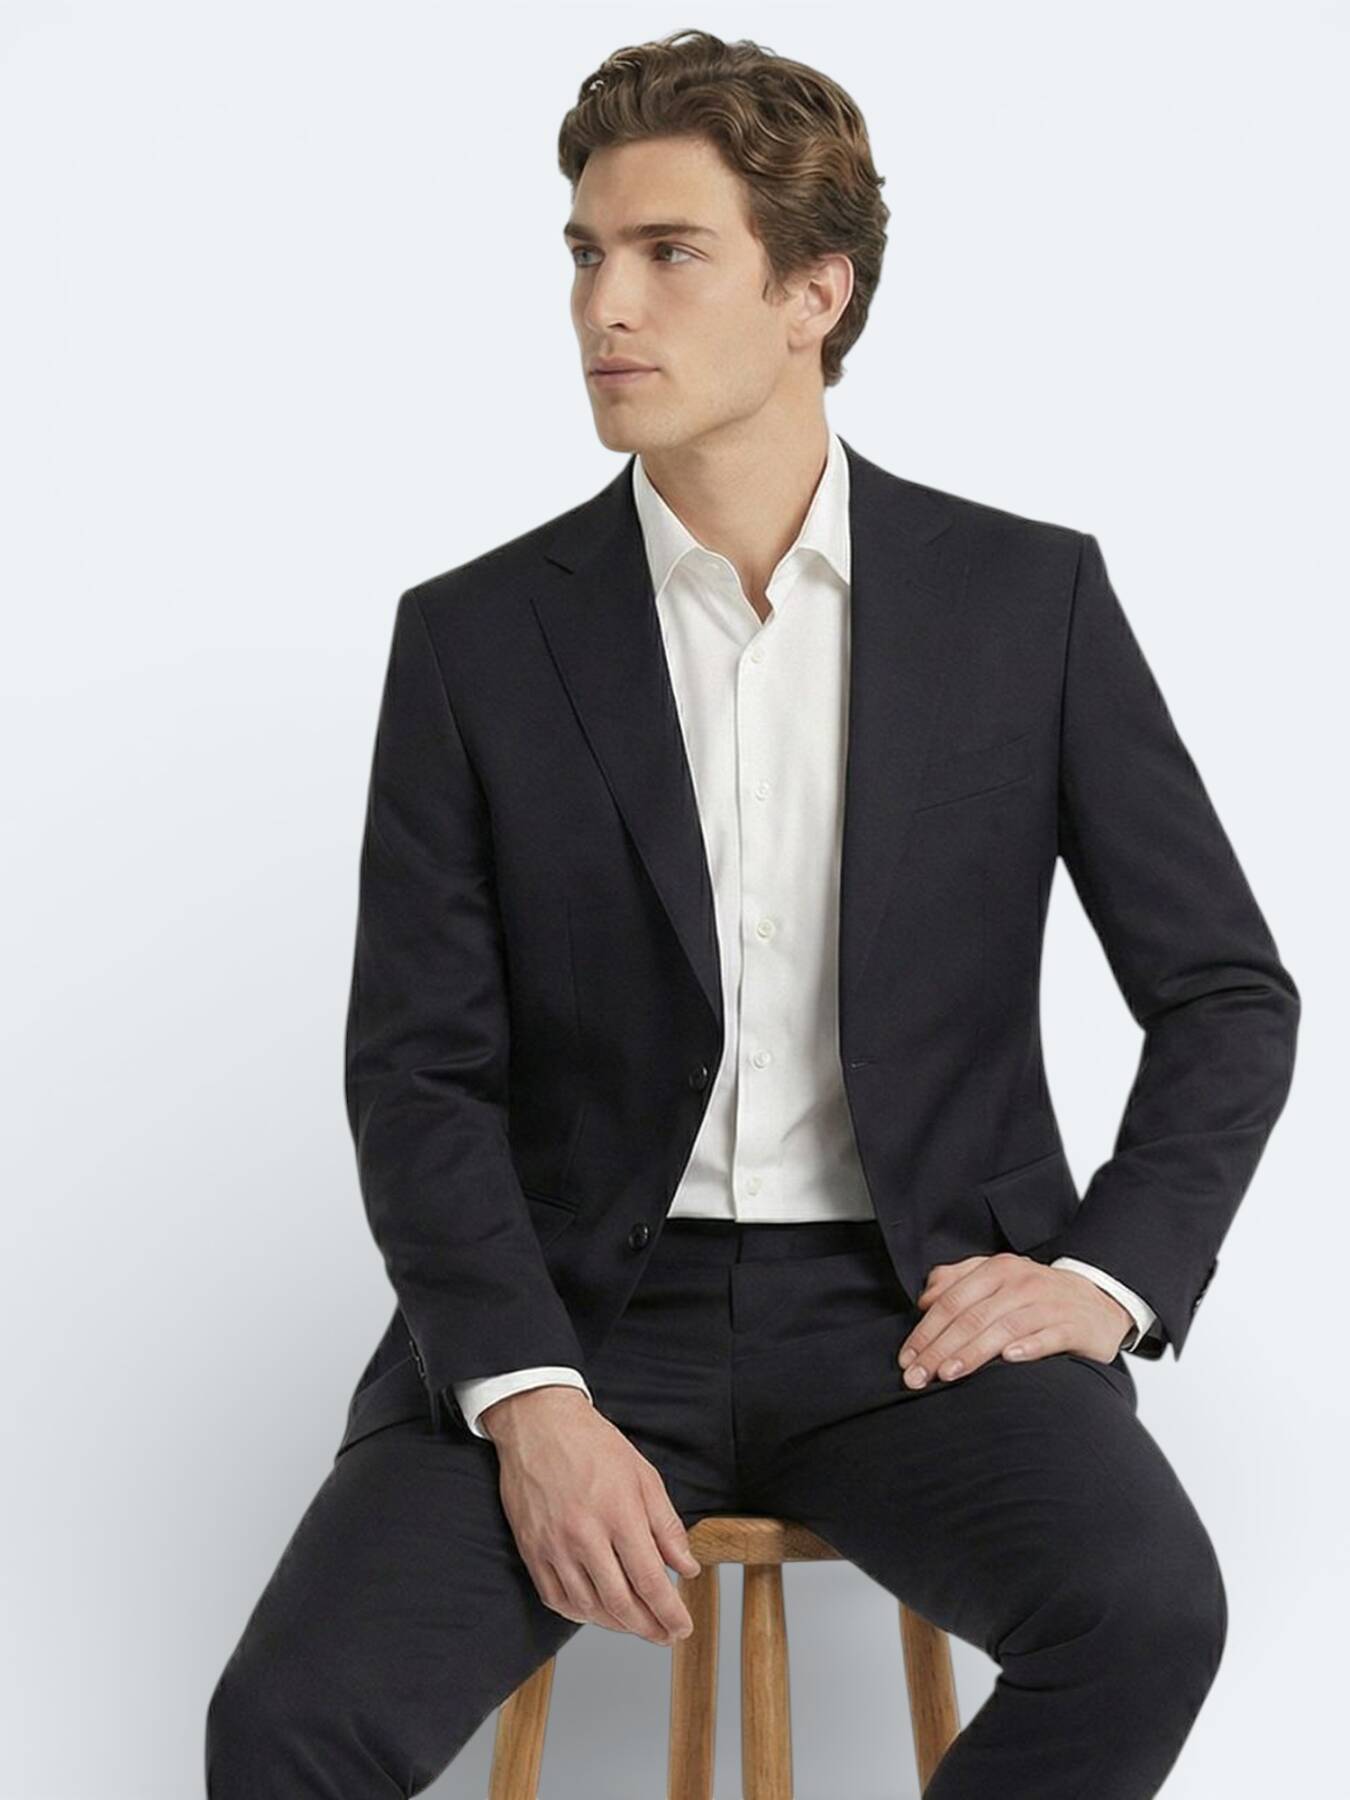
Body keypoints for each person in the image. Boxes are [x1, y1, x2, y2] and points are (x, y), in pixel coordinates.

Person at [205, 29, 1299, 1797]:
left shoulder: (1023, 602)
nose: (602, 307)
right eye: (584, 253)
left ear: (813, 292)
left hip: (912, 1319)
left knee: (1143, 1616)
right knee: (285, 1730)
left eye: (667, 253)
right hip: (576, 1318)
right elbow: (417, 1073)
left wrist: (1104, 1278)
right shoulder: (476, 638)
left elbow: (1224, 991)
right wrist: (527, 1397)